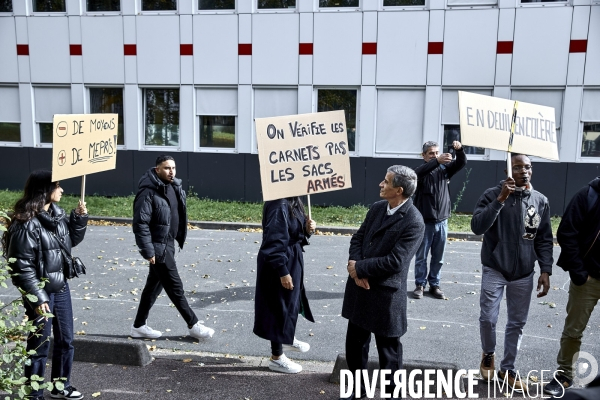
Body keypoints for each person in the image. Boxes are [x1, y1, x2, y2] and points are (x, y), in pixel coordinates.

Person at [2, 170, 88, 400]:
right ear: (45, 191)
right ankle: (33, 392)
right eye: (57, 186)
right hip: (40, 292)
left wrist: (79, 219)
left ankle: (61, 386)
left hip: (60, 287)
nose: (61, 190)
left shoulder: (56, 215)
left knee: (66, 340)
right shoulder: (25, 223)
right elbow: (21, 267)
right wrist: (38, 298)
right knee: (39, 344)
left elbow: (69, 241)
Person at [341, 165, 425, 399]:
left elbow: (395, 261)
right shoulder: (378, 208)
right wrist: (355, 268)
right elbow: (358, 237)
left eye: (386, 182)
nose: (381, 184)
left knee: (389, 354)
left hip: (385, 295)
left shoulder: (414, 220)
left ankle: (393, 395)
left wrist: (359, 268)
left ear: (398, 190)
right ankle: (357, 392)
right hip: (361, 288)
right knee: (355, 347)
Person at [471, 154, 553, 390]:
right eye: (517, 167)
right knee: (488, 318)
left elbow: (544, 239)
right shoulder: (491, 194)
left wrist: (545, 269)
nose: (523, 172)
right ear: (509, 169)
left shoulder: (539, 201)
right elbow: (477, 227)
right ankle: (488, 353)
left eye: (527, 167)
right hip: (495, 268)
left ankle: (508, 369)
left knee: (517, 323)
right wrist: (500, 199)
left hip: (524, 273)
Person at [131, 155, 213, 340]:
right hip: (158, 246)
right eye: (167, 168)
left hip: (169, 243)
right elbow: (140, 224)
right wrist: (148, 250)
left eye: (173, 168)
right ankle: (193, 324)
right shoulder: (148, 192)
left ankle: (138, 326)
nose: (171, 171)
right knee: (175, 286)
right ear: (157, 169)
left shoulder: (174, 186)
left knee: (153, 287)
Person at [543, 176, 600, 396]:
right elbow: (566, 232)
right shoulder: (587, 195)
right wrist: (578, 272)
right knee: (573, 331)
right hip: (588, 279)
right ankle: (564, 375)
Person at [253, 196, 316, 374]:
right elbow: (274, 239)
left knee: (290, 302)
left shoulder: (293, 200)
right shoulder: (279, 203)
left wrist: (307, 229)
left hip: (291, 256)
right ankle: (277, 357)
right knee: (279, 306)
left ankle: (286, 337)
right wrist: (282, 270)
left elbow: (294, 230)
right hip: (279, 260)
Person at [412, 140, 467, 299]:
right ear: (424, 155)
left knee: (438, 257)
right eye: (431, 153)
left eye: (437, 153)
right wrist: (437, 161)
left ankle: (434, 285)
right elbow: (416, 174)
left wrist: (460, 150)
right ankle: (420, 285)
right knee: (421, 256)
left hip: (442, 221)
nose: (435, 155)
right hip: (424, 222)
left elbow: (461, 162)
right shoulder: (421, 172)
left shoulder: (445, 169)